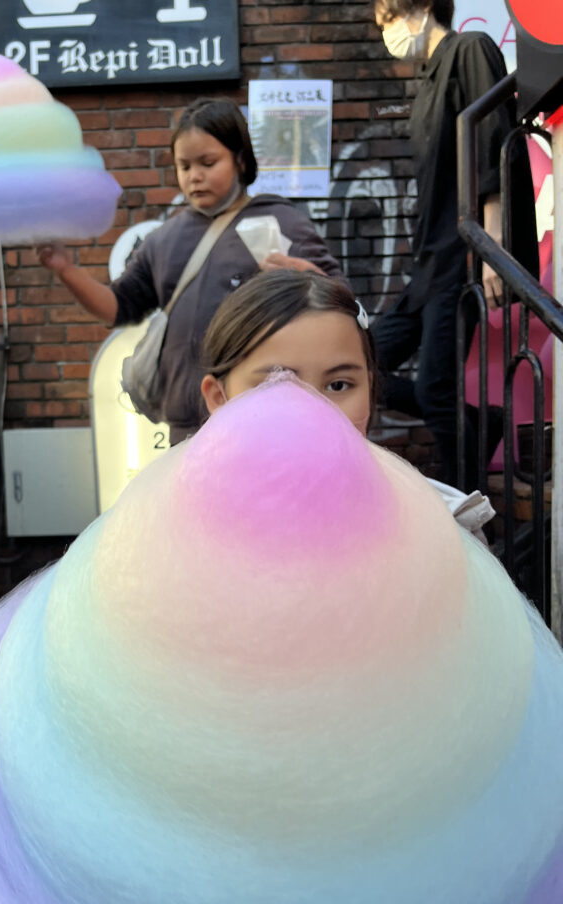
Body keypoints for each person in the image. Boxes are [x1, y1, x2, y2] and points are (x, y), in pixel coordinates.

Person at [38, 97, 346, 444]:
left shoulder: (280, 221)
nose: (194, 176)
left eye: (208, 162)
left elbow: (342, 305)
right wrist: (64, 269)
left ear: (241, 159)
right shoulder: (163, 239)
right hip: (184, 429)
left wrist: (306, 273)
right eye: (184, 166)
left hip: (265, 424)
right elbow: (118, 307)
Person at [371, 0, 538, 490]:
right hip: (429, 262)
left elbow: (493, 142)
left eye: (389, 18)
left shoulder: (471, 48)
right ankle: (481, 423)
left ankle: (468, 507)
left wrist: (490, 243)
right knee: (363, 360)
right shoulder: (428, 79)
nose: (388, 33)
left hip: (461, 250)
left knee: (434, 389)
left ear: (420, 7)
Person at [200, 268, 495, 539]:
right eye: (278, 384)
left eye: (338, 385)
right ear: (218, 397)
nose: (314, 413)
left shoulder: (443, 528)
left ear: (369, 388)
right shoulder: (175, 527)